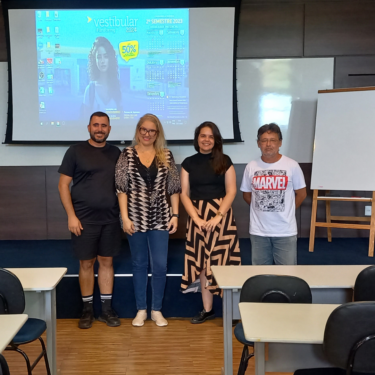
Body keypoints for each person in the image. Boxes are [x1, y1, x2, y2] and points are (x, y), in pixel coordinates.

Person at [115, 113, 181, 327]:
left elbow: (174, 189)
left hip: (161, 218)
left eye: (152, 130)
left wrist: (175, 215)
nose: (147, 134)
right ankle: (141, 310)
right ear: (138, 130)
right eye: (144, 129)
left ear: (157, 133)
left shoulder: (167, 155)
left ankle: (157, 310)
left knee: (160, 265)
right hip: (134, 218)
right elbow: (121, 189)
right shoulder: (126, 154)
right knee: (139, 264)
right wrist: (124, 218)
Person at [58, 111, 121, 329]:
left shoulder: (116, 153)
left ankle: (105, 310)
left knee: (107, 262)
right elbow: (63, 185)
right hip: (83, 220)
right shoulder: (75, 151)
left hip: (111, 219)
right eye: (96, 125)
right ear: (88, 127)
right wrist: (71, 216)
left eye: (104, 126)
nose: (100, 129)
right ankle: (87, 311)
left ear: (109, 129)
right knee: (86, 263)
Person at [180, 122, 241, 324]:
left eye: (210, 136)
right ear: (197, 138)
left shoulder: (225, 160)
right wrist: (197, 219)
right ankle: (207, 309)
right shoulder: (188, 163)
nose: (206, 140)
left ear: (216, 140)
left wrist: (217, 217)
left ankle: (231, 310)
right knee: (202, 264)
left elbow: (231, 191)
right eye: (202, 136)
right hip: (197, 217)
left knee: (225, 263)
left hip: (221, 217)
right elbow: (184, 194)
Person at [240, 123, 307, 265]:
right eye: (264, 140)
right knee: (260, 275)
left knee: (287, 276)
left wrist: (287, 211)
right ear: (258, 143)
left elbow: (301, 194)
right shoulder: (251, 167)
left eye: (273, 140)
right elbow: (246, 194)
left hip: (285, 231)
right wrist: (262, 208)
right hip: (258, 231)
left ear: (280, 143)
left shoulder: (292, 165)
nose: (268, 144)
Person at [83, 37, 122, 118]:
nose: (102, 61)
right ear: (95, 60)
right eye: (99, 57)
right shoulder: (90, 90)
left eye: (106, 56)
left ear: (110, 59)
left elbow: (122, 117)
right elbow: (85, 121)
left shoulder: (117, 87)